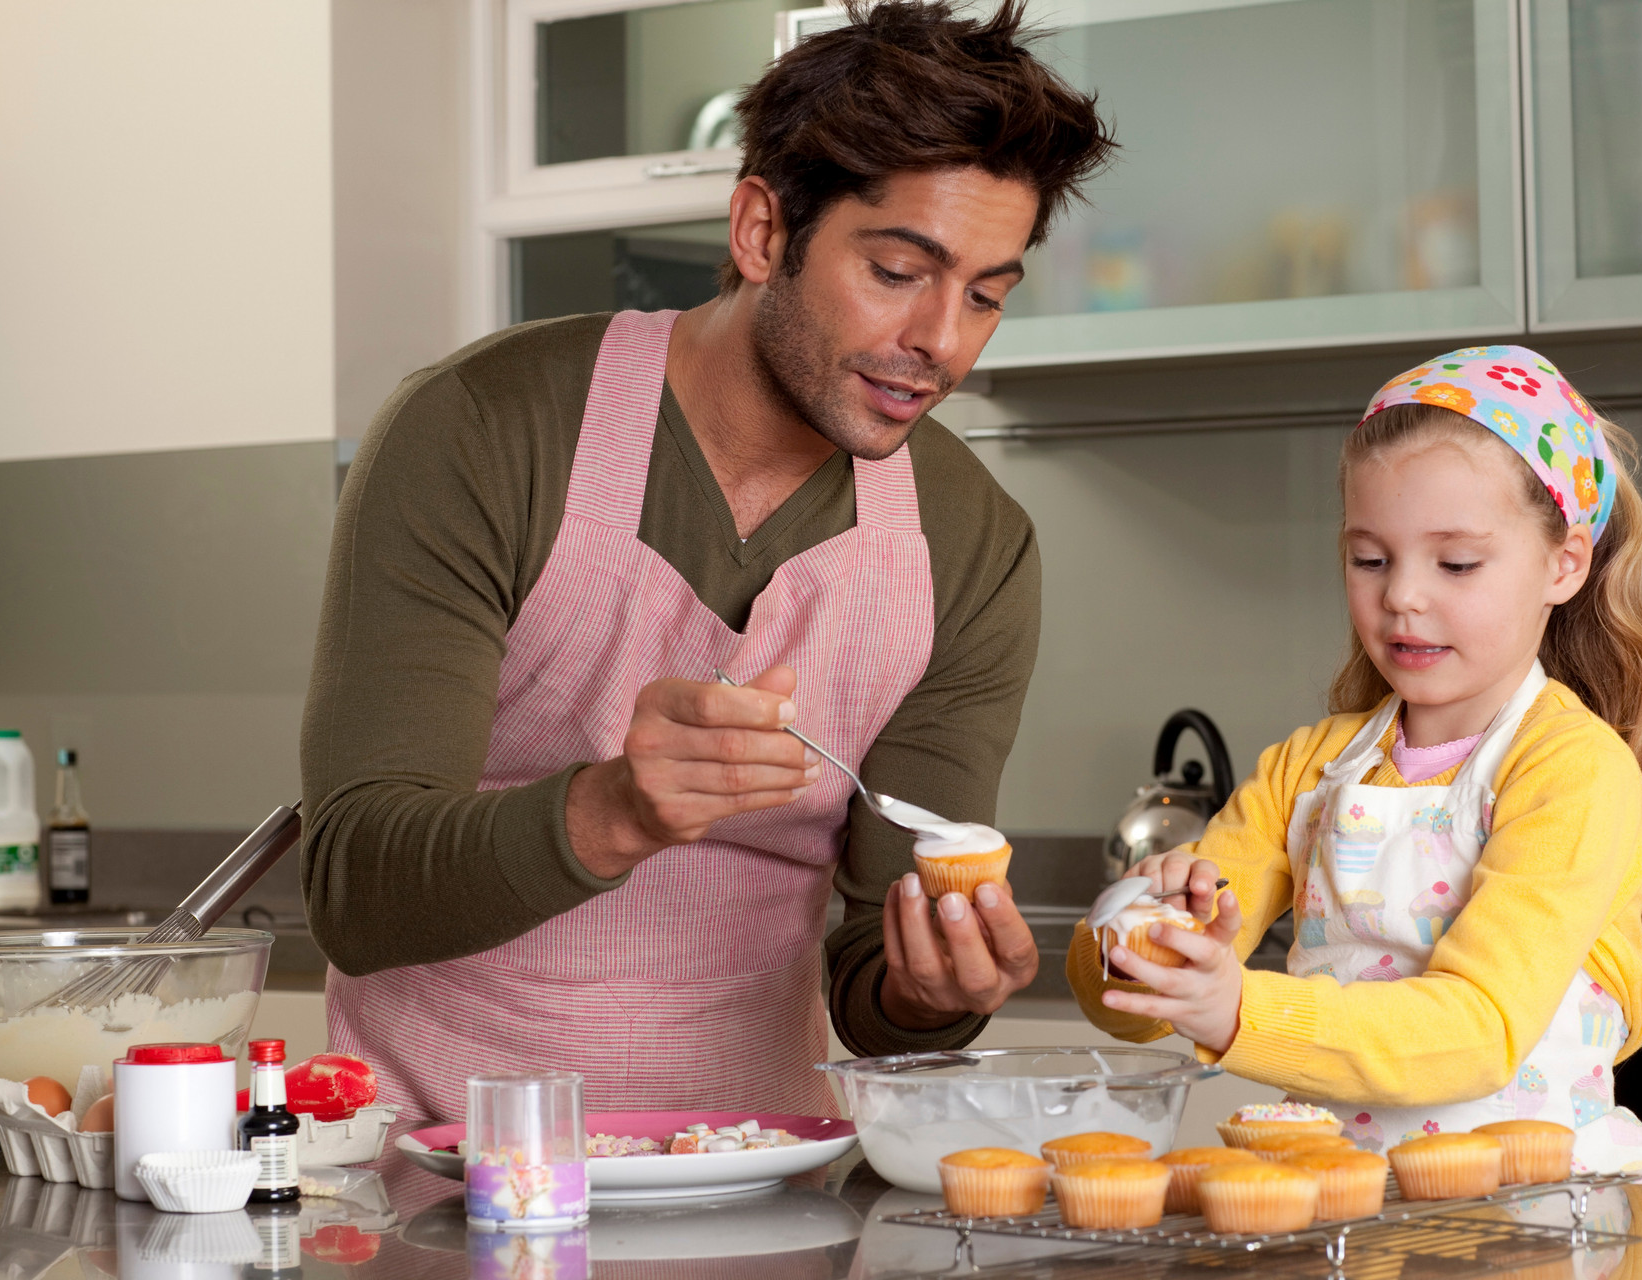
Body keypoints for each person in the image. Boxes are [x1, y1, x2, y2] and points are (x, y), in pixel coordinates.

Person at [300, 0, 1114, 1126]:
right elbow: (355, 883)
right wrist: (616, 809)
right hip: (442, 1183)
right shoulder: (484, 429)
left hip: (757, 1182)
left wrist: (934, 991)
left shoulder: (970, 543)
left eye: (985, 293)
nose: (945, 339)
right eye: (896, 270)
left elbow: (875, 971)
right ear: (761, 232)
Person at [1067, 345, 1642, 1180]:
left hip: (1533, 1222)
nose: (1402, 596)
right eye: (1370, 558)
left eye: (1456, 563)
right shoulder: (1306, 771)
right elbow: (1134, 1010)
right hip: (1347, 1211)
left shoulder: (1573, 772)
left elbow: (1481, 1027)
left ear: (1563, 565)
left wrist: (1236, 1010)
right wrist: (1137, 934)